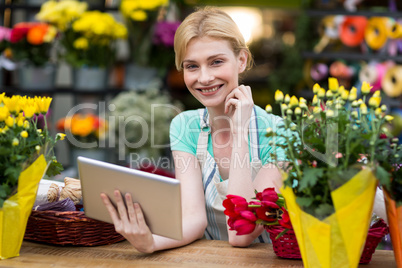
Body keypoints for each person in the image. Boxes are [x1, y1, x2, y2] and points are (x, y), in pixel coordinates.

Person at [101, 6, 287, 253]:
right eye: (192, 66)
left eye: (216, 62)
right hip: (204, 259)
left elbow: (241, 234)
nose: (205, 77)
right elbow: (194, 219)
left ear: (241, 60)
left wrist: (240, 131)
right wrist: (150, 242)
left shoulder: (280, 133)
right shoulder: (186, 126)